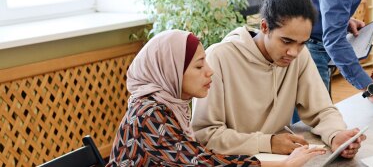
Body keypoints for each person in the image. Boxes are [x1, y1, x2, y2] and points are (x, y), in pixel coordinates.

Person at [191, 0, 365, 158]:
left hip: (279, 158)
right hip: (234, 160)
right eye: (286, 41)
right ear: (264, 27)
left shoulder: (299, 55)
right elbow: (205, 135)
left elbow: (322, 110)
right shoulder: (218, 58)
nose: (294, 52)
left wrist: (336, 135)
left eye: (302, 43)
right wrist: (268, 142)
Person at [107, 30, 324, 166]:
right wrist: (283, 165)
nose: (210, 71)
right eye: (199, 66)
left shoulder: (168, 104)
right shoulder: (149, 115)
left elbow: (199, 156)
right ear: (171, 72)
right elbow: (202, 162)